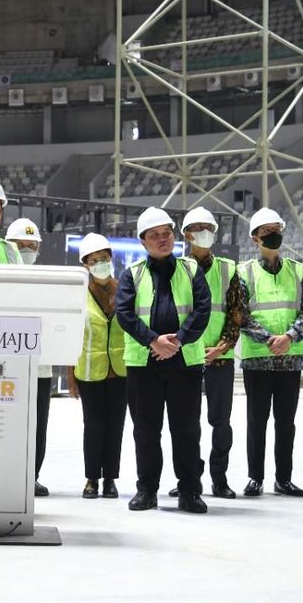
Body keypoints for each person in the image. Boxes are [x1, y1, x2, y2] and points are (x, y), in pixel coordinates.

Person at [116, 207, 211, 514]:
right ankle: (147, 491)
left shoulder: (192, 270)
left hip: (185, 364)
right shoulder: (131, 275)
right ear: (143, 241)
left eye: (166, 234)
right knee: (145, 430)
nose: (162, 239)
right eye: (154, 235)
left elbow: (202, 311)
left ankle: (189, 491)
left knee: (186, 430)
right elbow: (126, 315)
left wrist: (178, 340)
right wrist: (154, 341)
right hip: (145, 364)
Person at [168, 206, 243, 500]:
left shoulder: (229, 269)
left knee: (220, 422)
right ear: (187, 235)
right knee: (186, 424)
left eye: (209, 227)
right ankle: (189, 478)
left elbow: (237, 313)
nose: (205, 233)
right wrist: (194, 347)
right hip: (186, 357)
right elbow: (172, 314)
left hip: (220, 358)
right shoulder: (176, 269)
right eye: (199, 228)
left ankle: (219, 478)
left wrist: (222, 347)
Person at [237, 207, 303, 498]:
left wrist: (289, 337)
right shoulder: (244, 273)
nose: (273, 235)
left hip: (289, 359)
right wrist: (271, 339)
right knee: (256, 422)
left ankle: (284, 478)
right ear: (255, 239)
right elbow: (241, 314)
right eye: (266, 232)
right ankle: (255, 477)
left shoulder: (297, 270)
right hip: (258, 358)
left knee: (286, 423)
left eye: (276, 229)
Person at [67, 233, 127, 500]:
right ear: (85, 265)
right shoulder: (78, 296)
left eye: (104, 259)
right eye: (94, 260)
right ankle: (91, 478)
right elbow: (70, 338)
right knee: (93, 425)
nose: (101, 263)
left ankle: (110, 479)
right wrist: (70, 378)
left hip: (121, 371)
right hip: (89, 372)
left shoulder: (125, 290)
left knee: (116, 425)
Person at [6, 217, 53, 497]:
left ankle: (31, 476)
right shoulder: (1, 280)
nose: (26, 250)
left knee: (37, 426)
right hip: (8, 369)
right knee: (8, 425)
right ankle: (8, 475)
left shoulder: (48, 282)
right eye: (20, 245)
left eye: (31, 245)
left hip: (40, 368)